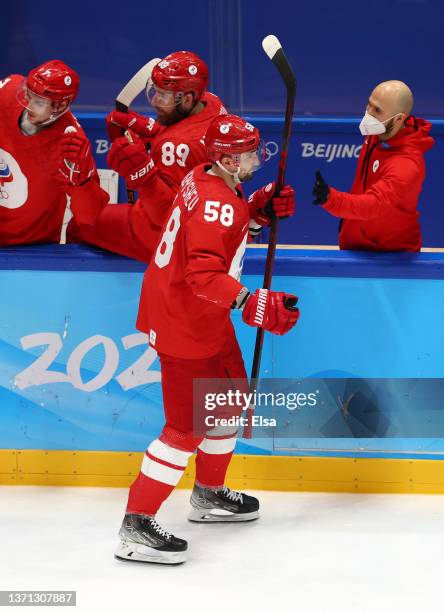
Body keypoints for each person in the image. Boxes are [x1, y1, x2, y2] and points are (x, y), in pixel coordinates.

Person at [114, 114, 300, 565]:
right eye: (249, 153)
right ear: (227, 160)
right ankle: (136, 525)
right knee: (185, 428)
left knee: (228, 400)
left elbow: (214, 230)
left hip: (197, 315)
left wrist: (253, 211)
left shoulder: (203, 176)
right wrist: (250, 301)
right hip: (186, 321)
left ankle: (209, 494)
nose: (257, 158)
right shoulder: (219, 201)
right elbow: (203, 273)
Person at [68, 51, 227, 261]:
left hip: (167, 241)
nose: (155, 102)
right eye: (155, 92)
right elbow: (189, 136)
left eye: (165, 96)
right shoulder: (211, 104)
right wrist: (153, 130)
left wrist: (144, 176)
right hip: (211, 228)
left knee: (79, 224)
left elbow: (166, 218)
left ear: (187, 99)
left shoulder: (175, 146)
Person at [312, 80, 434, 252]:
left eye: (377, 110)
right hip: (357, 245)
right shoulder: (380, 132)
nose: (368, 114)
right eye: (369, 105)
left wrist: (331, 199)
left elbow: (374, 204)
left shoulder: (406, 165)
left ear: (399, 118)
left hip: (392, 259)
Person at [0, 60, 107, 245]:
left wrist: (82, 181)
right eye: (28, 94)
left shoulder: (71, 143)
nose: (28, 105)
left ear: (59, 106)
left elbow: (89, 217)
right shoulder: (7, 89)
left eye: (39, 102)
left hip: (31, 248)